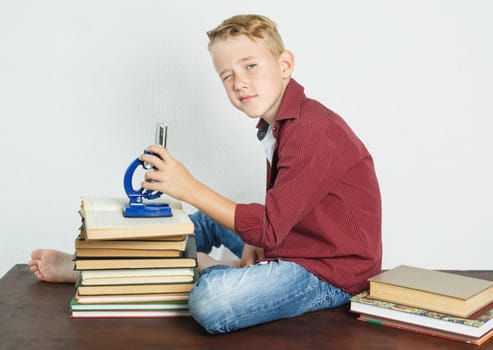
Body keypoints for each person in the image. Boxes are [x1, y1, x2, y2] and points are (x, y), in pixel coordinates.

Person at [28, 14, 382, 334]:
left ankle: (194, 267)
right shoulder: (278, 126)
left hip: (331, 272)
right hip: (293, 242)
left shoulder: (311, 130)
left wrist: (189, 187)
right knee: (207, 224)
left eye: (250, 66)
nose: (239, 82)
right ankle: (96, 265)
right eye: (227, 75)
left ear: (284, 64)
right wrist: (260, 239)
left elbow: (270, 226)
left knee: (211, 301)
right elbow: (278, 221)